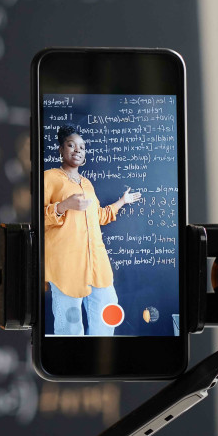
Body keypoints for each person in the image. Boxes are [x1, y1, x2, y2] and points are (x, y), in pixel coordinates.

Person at [43, 124, 140, 336]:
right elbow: (38, 220)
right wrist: (64, 205)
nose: (77, 150)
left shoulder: (87, 184)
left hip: (96, 261)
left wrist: (122, 202)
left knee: (107, 310)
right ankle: (70, 364)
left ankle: (99, 358)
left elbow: (99, 217)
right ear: (61, 149)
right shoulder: (49, 178)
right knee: (69, 320)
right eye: (71, 145)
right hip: (66, 263)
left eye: (82, 147)